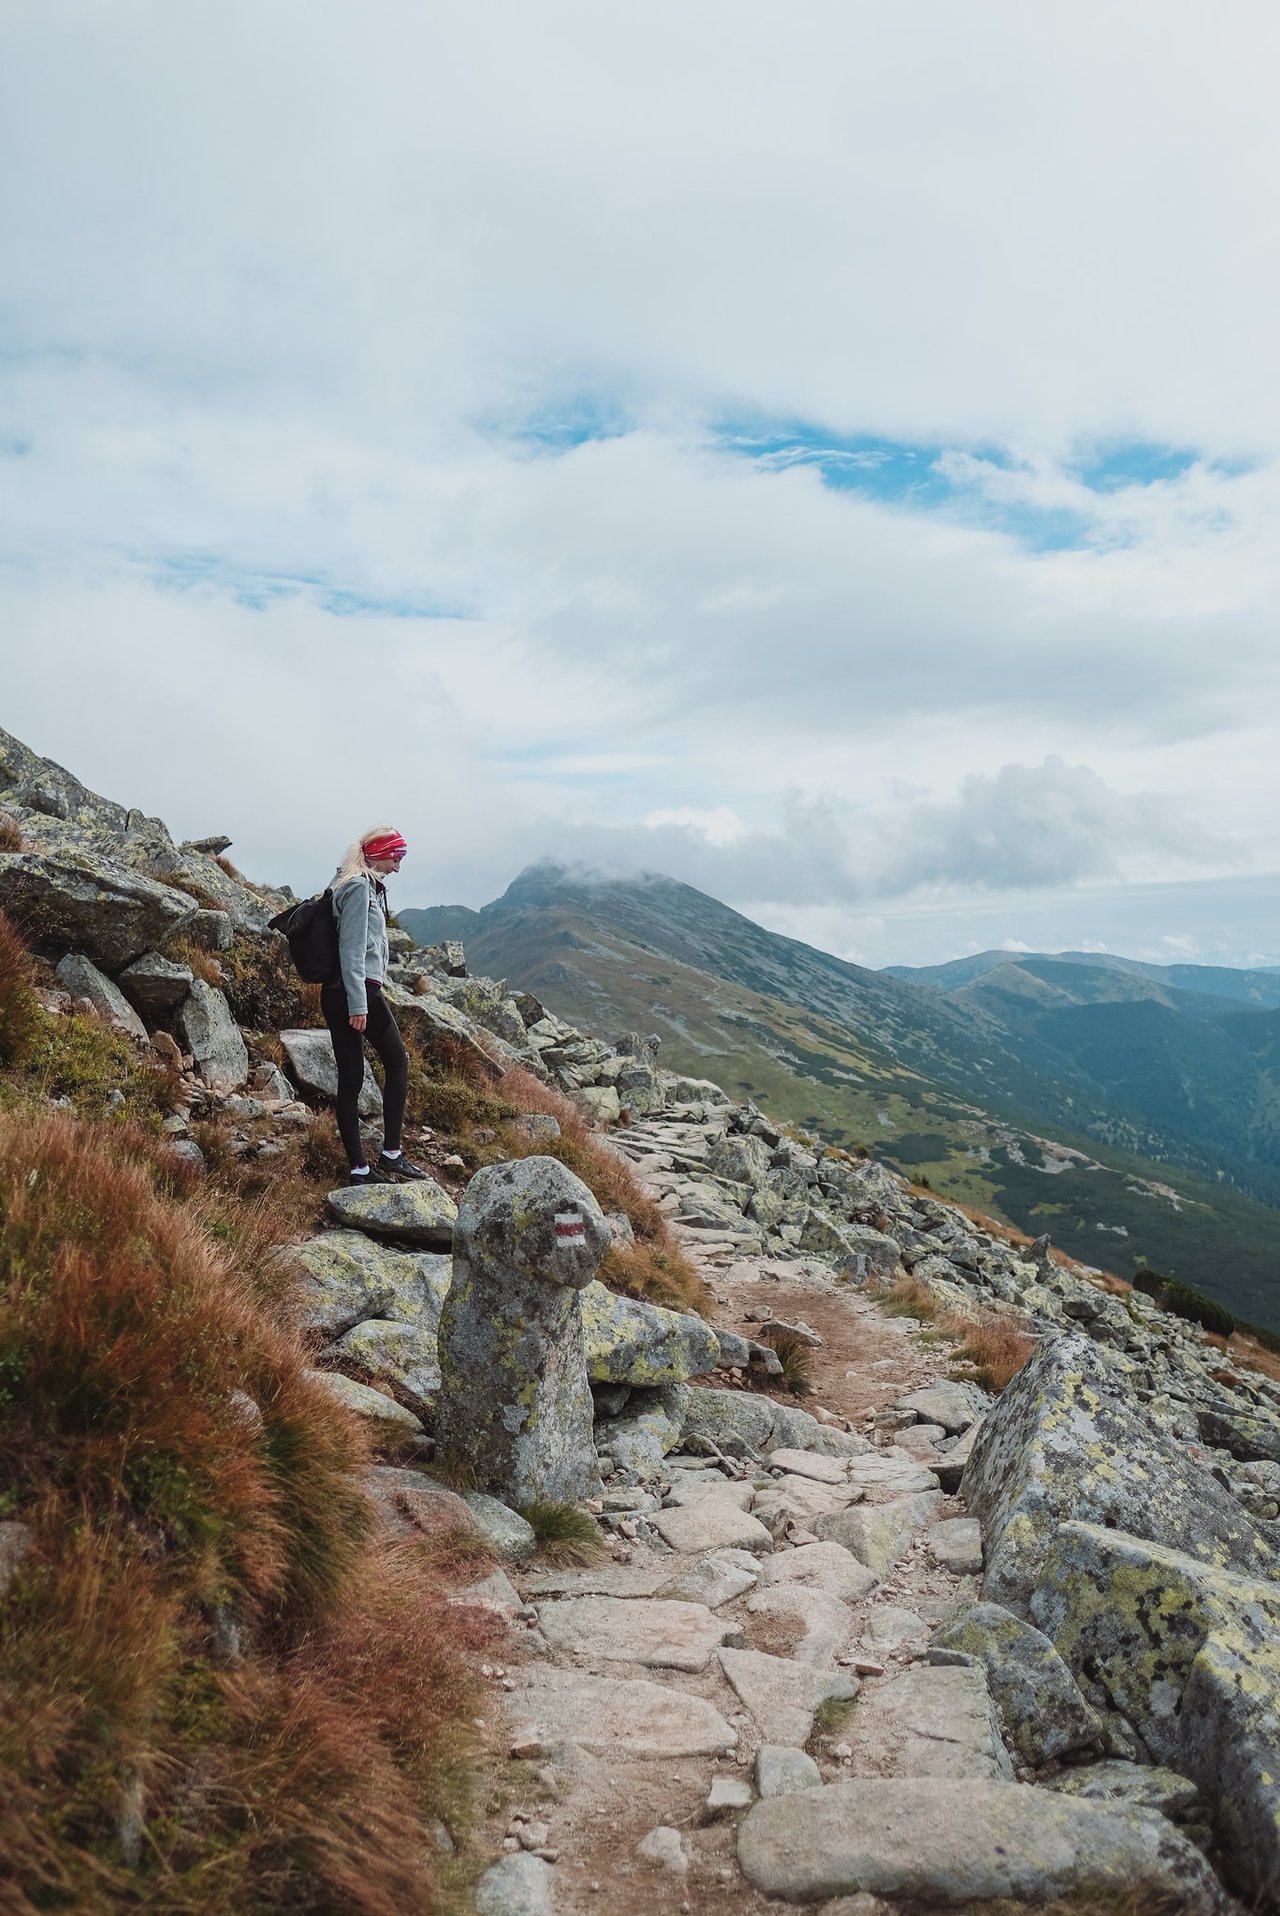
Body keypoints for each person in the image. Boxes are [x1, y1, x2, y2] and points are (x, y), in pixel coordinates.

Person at [320, 826, 429, 1185]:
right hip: (354, 994)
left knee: (358, 1076)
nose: (398, 866)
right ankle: (376, 1162)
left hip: (350, 992)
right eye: (396, 857)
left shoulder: (354, 883)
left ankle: (369, 1165)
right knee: (387, 1066)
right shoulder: (356, 889)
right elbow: (350, 952)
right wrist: (358, 1005)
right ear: (378, 852)